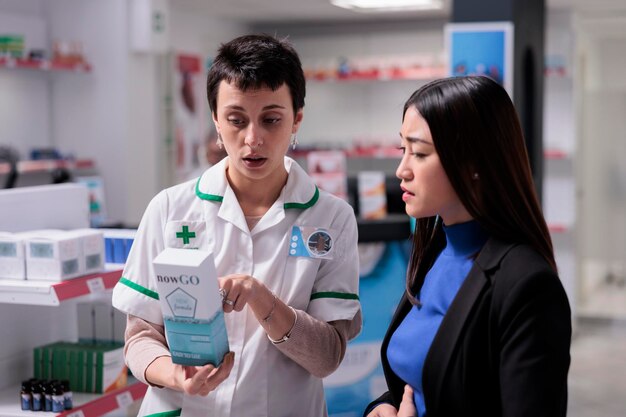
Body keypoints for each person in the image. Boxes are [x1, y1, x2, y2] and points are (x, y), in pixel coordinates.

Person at [113, 34, 362, 417]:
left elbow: (327, 357)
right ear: (215, 119)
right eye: (236, 120)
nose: (253, 139)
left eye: (271, 119)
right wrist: (178, 376)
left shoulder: (330, 219)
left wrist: (262, 300)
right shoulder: (170, 209)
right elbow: (140, 339)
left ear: (297, 118)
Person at [364, 76, 571, 417]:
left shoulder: (526, 285)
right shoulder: (433, 252)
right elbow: (412, 385)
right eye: (403, 150)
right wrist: (382, 407)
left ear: (473, 163)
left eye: (419, 153)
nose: (402, 170)